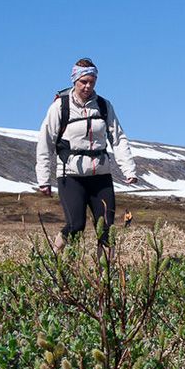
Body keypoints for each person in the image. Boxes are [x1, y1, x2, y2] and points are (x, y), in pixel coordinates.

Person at [36, 58, 137, 250]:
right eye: (84, 82)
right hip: (71, 176)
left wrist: (129, 170)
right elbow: (45, 142)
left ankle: (104, 275)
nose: (88, 86)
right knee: (76, 225)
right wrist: (44, 179)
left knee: (107, 228)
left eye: (92, 81)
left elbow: (118, 138)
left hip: (101, 176)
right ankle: (56, 257)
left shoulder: (104, 106)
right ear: (74, 80)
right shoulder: (60, 107)